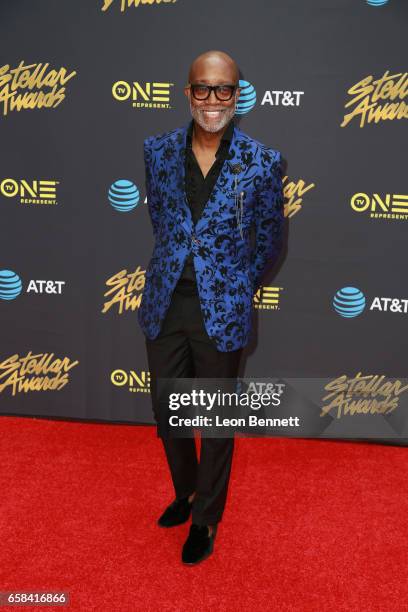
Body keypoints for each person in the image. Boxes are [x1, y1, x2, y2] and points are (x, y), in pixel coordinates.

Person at [138, 49, 285, 565]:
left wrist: (235, 285)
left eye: (223, 89)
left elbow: (269, 241)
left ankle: (206, 520)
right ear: (188, 93)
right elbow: (163, 223)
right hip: (165, 304)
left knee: (217, 421)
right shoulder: (156, 152)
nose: (212, 99)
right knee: (167, 411)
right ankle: (186, 491)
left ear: (236, 95)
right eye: (202, 88)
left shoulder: (263, 163)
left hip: (222, 311)